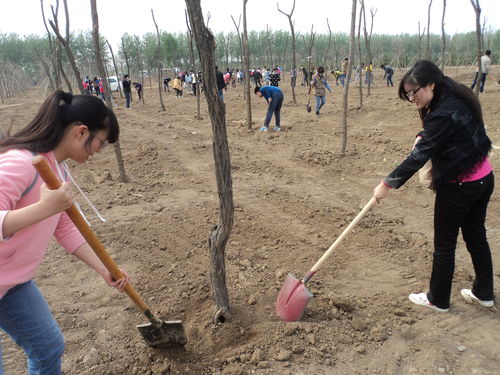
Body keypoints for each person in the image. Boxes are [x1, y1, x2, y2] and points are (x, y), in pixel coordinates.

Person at [0, 90, 130, 374]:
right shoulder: (21, 164)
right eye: (101, 143)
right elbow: (46, 211)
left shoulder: (56, 169)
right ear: (81, 131)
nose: (99, 151)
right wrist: (43, 208)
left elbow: (65, 224)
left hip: (12, 283)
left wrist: (105, 268)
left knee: (48, 347)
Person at [372, 60, 494, 313]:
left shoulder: (442, 112)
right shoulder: (457, 94)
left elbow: (418, 157)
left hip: (460, 186)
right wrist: (424, 136)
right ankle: (484, 294)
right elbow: (445, 134)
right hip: (483, 178)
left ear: (431, 84)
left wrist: (387, 184)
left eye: (414, 91)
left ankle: (437, 299)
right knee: (476, 237)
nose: (411, 97)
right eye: (407, 93)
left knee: (445, 244)